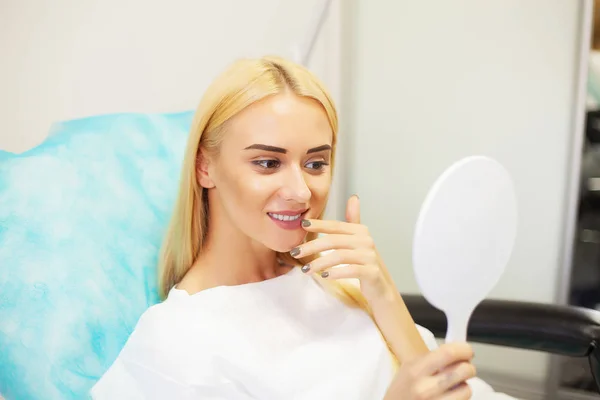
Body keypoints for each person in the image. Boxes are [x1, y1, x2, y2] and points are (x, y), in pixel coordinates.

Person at [91, 56, 515, 399]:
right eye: (268, 163)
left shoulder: (333, 283)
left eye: (315, 163)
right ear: (205, 166)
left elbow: (454, 391)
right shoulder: (176, 344)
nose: (300, 190)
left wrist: (383, 293)